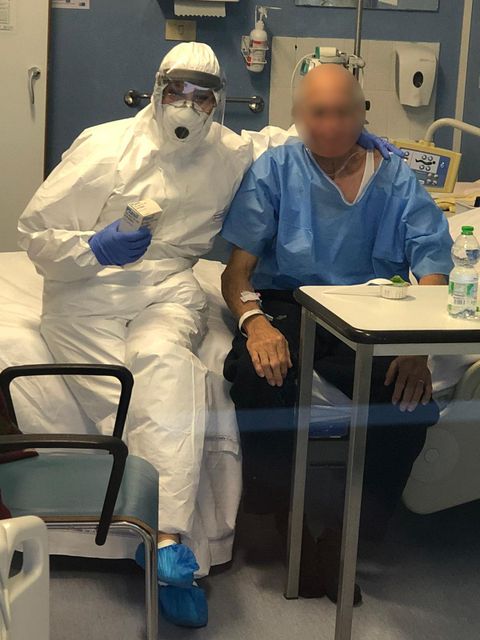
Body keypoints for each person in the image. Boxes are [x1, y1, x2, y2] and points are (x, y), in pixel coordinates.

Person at [18, 42, 253, 628]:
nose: (187, 106)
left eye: (202, 97)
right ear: (157, 88)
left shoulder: (231, 153)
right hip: (86, 297)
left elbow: (300, 140)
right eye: (177, 91)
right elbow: (35, 233)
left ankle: (164, 540)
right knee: (140, 405)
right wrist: (94, 248)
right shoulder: (104, 146)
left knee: (167, 364)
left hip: (167, 289)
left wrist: (370, 146)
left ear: (219, 102)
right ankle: (170, 546)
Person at [220, 64, 453, 604]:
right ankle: (287, 522)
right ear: (299, 117)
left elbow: (432, 264)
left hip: (373, 307)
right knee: (259, 376)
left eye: (344, 111)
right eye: (318, 113)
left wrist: (416, 346)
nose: (331, 125)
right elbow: (236, 273)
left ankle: (345, 538)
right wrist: (255, 324)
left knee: (409, 404)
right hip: (291, 303)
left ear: (363, 112)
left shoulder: (395, 176)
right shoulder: (276, 170)